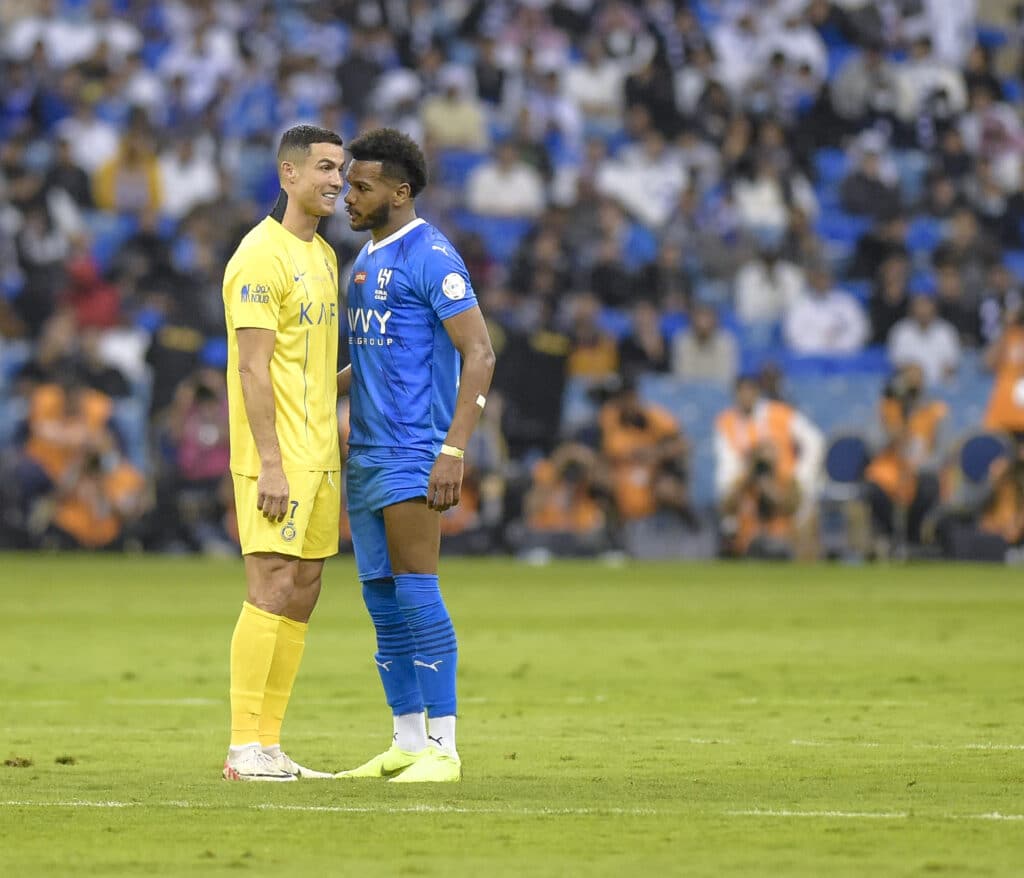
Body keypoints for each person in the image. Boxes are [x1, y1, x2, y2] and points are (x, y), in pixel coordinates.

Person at [335, 128, 495, 783]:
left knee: (418, 590)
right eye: (348, 184)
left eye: (361, 186)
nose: (347, 196)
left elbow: (479, 353)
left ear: (400, 192)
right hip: (366, 453)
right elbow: (375, 360)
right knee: (381, 599)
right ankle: (405, 740)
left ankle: (444, 747)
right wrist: (313, 391)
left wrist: (453, 448)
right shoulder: (363, 259)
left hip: (413, 449)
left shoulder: (432, 255)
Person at [220, 124, 345, 782]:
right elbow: (252, 368)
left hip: (320, 452)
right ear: (288, 174)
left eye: (340, 169)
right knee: (270, 586)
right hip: (277, 456)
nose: (336, 180)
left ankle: (269, 744)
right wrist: (270, 462)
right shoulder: (258, 256)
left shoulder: (324, 256)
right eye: (324, 167)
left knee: (302, 592)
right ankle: (242, 747)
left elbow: (311, 369)